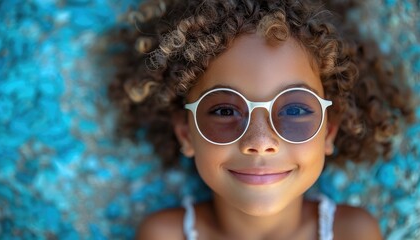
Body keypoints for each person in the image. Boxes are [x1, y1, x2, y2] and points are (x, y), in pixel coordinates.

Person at [109, 0, 415, 239]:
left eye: (294, 110)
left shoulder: (353, 233)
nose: (259, 142)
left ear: (329, 131)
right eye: (225, 111)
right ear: (185, 134)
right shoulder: (164, 235)